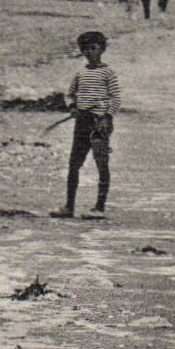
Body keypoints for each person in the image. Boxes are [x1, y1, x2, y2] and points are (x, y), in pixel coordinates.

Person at [52, 31, 120, 219]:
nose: (89, 52)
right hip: (82, 121)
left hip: (100, 123)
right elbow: (69, 94)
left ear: (102, 49)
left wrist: (107, 116)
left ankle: (99, 207)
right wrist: (72, 107)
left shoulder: (108, 73)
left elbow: (115, 98)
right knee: (74, 163)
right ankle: (69, 206)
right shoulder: (81, 73)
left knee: (101, 163)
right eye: (85, 49)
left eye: (93, 48)